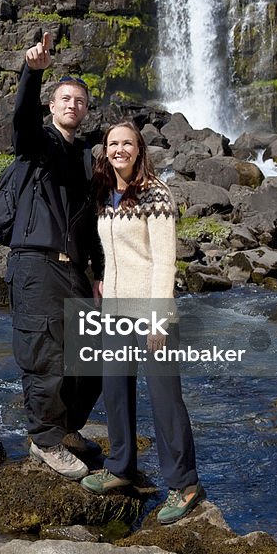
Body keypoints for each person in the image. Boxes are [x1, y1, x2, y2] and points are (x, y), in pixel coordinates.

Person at [78, 121, 205, 525]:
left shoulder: (157, 193)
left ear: (139, 149)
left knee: (165, 401)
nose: (119, 150)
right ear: (106, 150)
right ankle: (120, 468)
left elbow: (165, 261)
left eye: (127, 143)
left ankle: (185, 484)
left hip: (151, 313)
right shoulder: (104, 192)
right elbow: (108, 250)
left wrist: (158, 320)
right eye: (113, 144)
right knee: (115, 390)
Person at [6, 32, 104, 480]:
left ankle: (67, 428)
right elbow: (22, 120)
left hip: (75, 269)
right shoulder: (39, 144)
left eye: (80, 100)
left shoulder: (87, 155)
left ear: (86, 110)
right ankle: (43, 439)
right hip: (35, 263)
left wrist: (99, 272)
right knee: (45, 354)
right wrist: (33, 71)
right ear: (52, 105)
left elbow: (95, 221)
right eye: (65, 98)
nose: (72, 105)